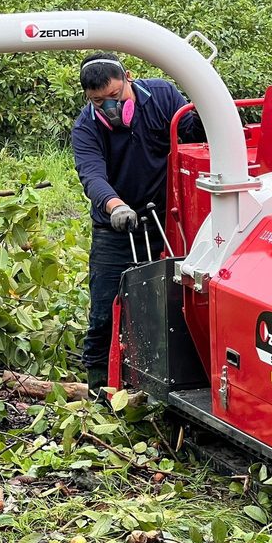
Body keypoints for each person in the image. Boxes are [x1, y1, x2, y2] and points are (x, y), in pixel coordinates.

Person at [70, 52, 203, 392]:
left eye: (115, 97)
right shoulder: (86, 127)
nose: (109, 107)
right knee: (104, 311)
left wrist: (205, 100)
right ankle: (99, 388)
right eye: (99, 101)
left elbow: (192, 132)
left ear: (129, 77)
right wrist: (115, 206)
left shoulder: (161, 95)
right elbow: (92, 175)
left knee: (171, 306)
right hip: (115, 227)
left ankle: (160, 381)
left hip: (167, 222)